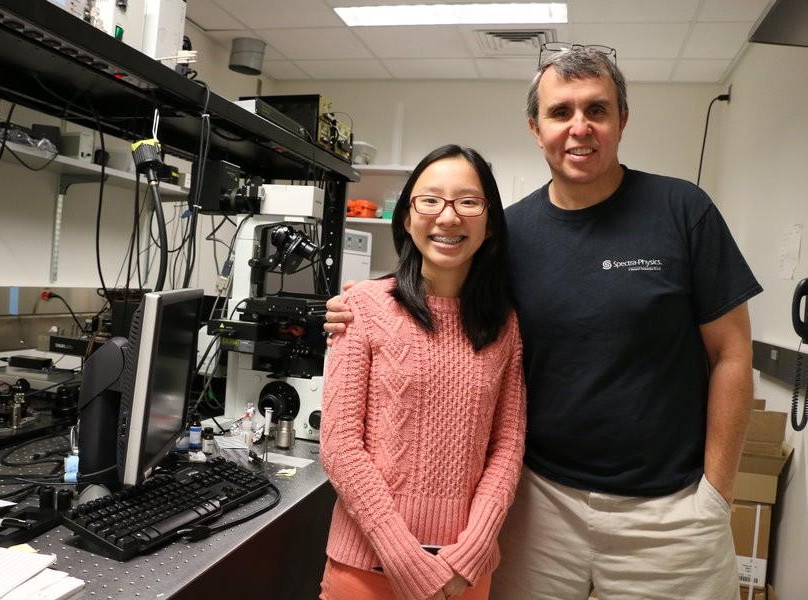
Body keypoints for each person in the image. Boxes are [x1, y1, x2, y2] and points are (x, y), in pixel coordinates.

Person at [325, 47, 761, 600]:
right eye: (561, 113)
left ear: (622, 119)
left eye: (597, 110)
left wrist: (716, 496)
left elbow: (732, 353)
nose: (579, 128)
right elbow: (445, 281)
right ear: (536, 127)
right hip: (539, 509)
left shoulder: (682, 210)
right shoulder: (511, 235)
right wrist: (361, 302)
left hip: (668, 514)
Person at [318, 144, 526, 600]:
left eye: (468, 202)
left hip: (463, 573)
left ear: (489, 223)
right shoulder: (363, 307)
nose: (448, 217)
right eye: (429, 200)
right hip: (368, 568)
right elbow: (339, 444)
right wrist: (403, 557)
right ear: (408, 218)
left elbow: (507, 447)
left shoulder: (503, 324)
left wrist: (470, 552)